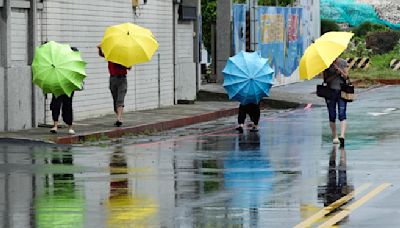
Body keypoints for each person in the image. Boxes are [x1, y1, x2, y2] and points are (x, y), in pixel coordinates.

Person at [50, 46, 80, 135]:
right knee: (56, 105)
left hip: (68, 87)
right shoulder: (60, 62)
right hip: (58, 85)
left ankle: (70, 126)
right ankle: (55, 125)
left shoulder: (76, 65)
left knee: (67, 106)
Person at [98, 46, 130, 127]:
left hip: (122, 79)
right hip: (113, 78)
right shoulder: (110, 54)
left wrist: (123, 63)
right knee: (115, 100)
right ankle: (119, 117)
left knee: (120, 99)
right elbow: (102, 54)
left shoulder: (124, 56)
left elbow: (129, 67)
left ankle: (119, 119)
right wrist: (99, 48)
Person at [323, 57, 349, 147]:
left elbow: (346, 77)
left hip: (342, 91)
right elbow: (326, 80)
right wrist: (334, 75)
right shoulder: (326, 64)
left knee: (342, 113)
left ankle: (342, 135)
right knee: (332, 114)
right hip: (330, 92)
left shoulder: (343, 62)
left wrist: (340, 71)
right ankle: (335, 136)